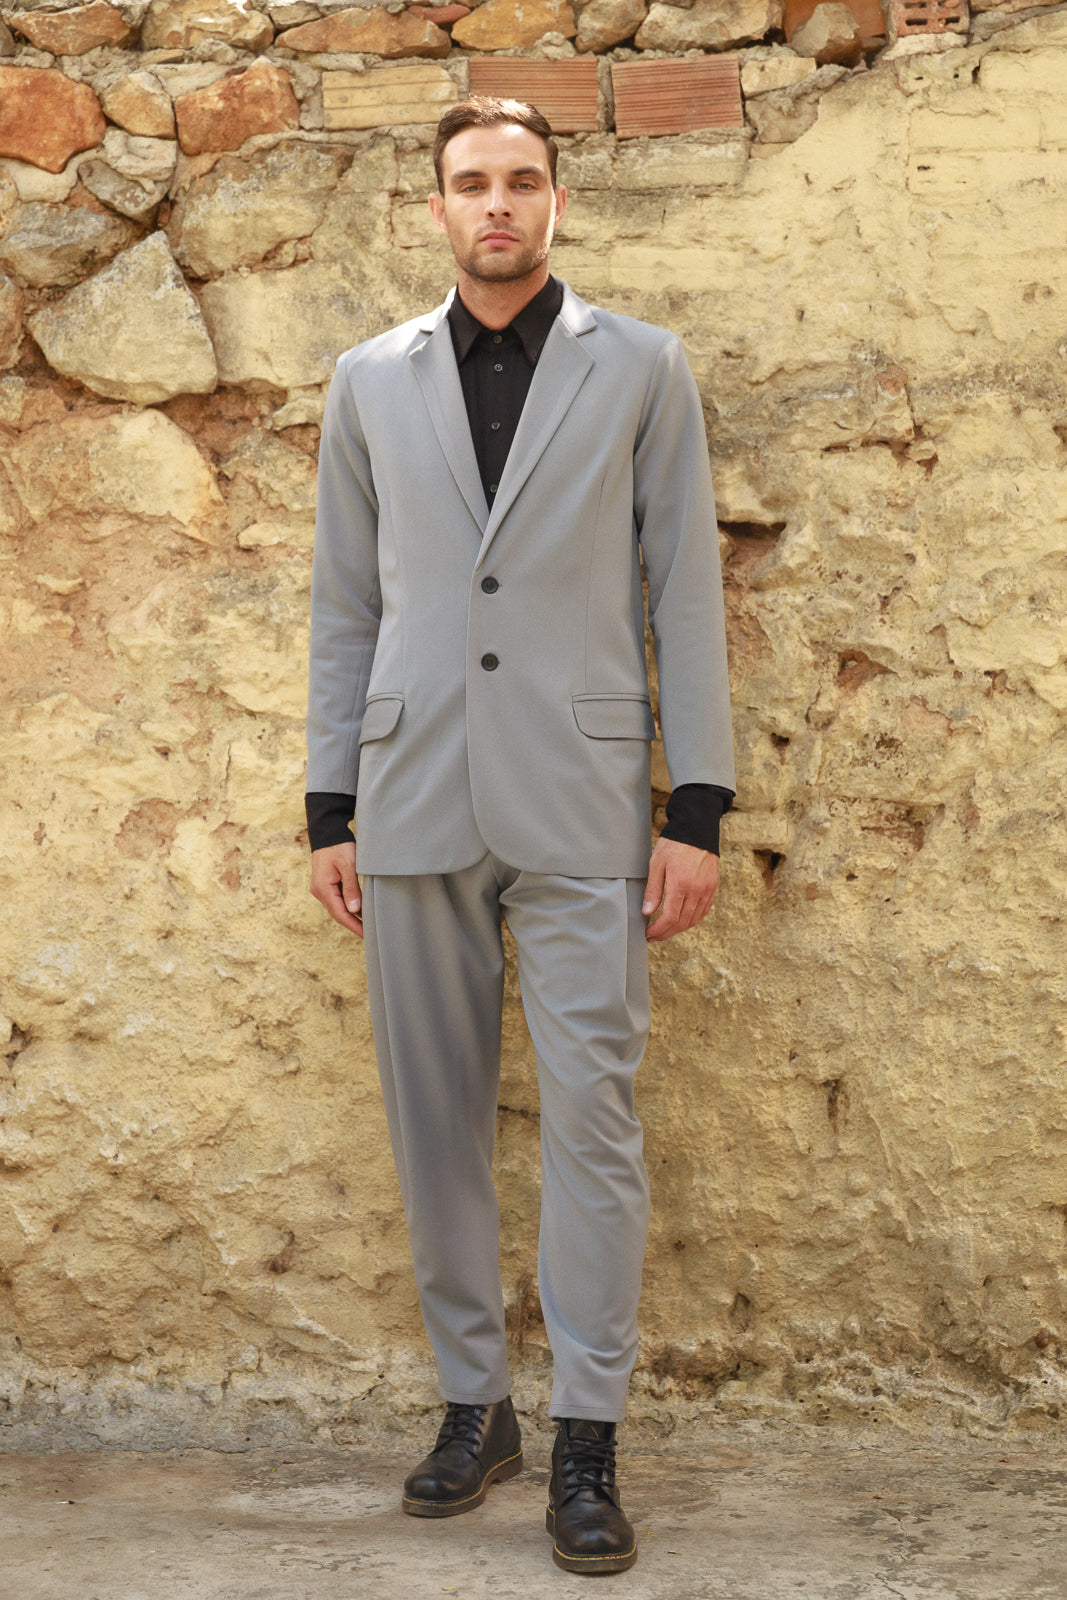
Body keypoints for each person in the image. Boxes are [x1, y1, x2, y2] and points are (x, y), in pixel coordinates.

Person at [305, 97, 734, 1576]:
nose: (498, 203)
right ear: (435, 207)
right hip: (411, 790)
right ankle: (474, 1405)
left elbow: (684, 589)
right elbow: (345, 604)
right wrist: (328, 804)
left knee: (593, 1119)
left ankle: (587, 1437)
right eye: (472, 182)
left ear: (557, 201)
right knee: (432, 1120)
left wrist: (696, 807)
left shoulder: (642, 368)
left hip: (584, 802)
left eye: (523, 181)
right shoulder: (369, 380)